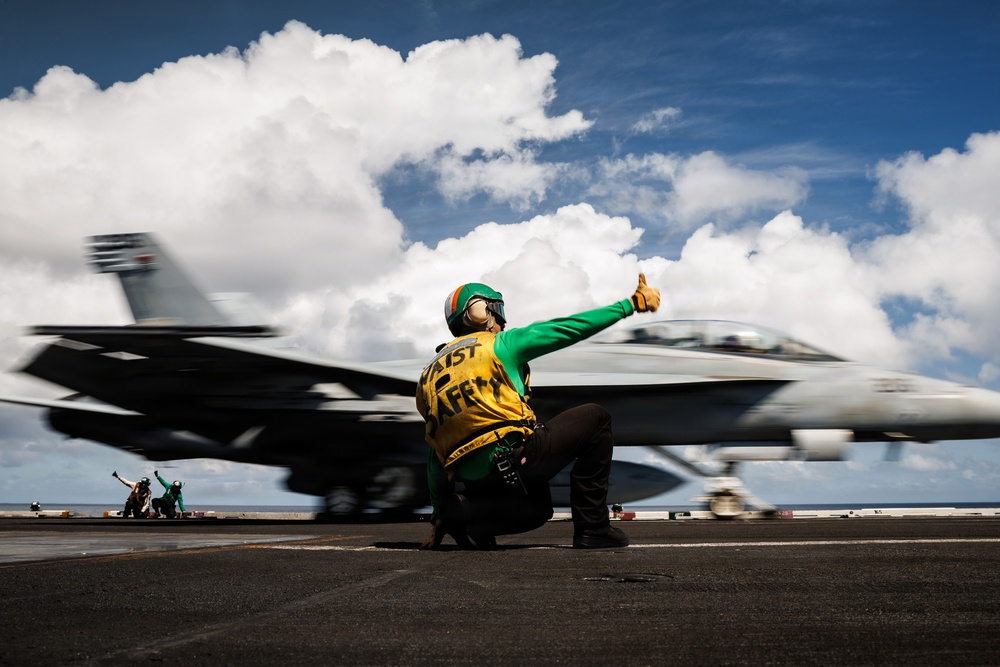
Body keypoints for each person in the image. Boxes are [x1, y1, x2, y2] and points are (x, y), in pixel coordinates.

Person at [416, 274, 660, 550]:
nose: (503, 322)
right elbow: (567, 328)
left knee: (538, 510)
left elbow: (435, 454)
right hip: (513, 460)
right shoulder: (500, 344)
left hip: (475, 478)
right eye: (498, 312)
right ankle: (594, 528)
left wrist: (439, 512)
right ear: (481, 312)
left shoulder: (427, 376)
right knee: (596, 418)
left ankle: (465, 514)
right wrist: (630, 304)